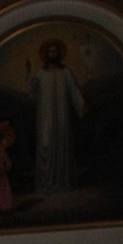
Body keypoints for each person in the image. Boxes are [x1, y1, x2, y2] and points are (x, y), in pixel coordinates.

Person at [29, 39, 86, 195]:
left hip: (62, 115)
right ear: (46, 54)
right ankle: (45, 182)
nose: (53, 54)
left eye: (55, 51)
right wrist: (28, 75)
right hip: (46, 116)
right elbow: (33, 92)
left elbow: (74, 91)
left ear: (59, 54)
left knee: (62, 145)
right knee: (46, 144)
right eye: (50, 51)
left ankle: (63, 182)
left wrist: (81, 104)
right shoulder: (41, 73)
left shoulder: (66, 72)